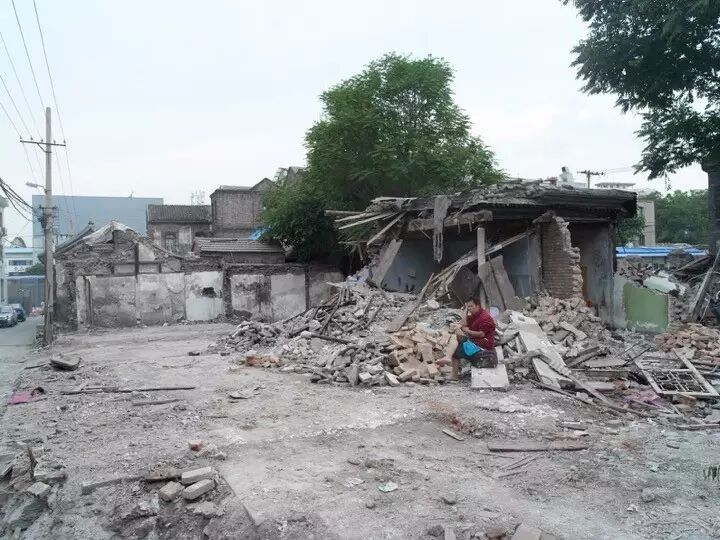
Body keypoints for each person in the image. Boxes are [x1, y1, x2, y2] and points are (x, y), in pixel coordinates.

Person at [449, 297, 496, 380]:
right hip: (475, 341)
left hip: (482, 345)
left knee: (455, 350)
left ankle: (454, 375)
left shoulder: (484, 318)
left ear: (478, 306)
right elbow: (463, 322)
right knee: (456, 338)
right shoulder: (475, 315)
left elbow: (481, 334)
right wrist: (466, 309)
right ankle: (455, 370)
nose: (469, 308)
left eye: (471, 306)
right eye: (468, 306)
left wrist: (468, 330)